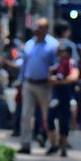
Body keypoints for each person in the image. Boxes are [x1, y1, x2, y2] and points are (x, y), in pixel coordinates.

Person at [18, 17, 57, 153]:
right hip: (29, 83)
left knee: (49, 116)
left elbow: (57, 65)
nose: (37, 30)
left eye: (40, 27)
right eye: (36, 27)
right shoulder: (29, 44)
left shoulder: (53, 45)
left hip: (45, 85)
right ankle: (25, 144)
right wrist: (20, 80)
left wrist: (53, 76)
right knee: (26, 115)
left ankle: (53, 143)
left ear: (46, 29)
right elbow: (24, 64)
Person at [47, 43, 80, 156]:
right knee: (50, 119)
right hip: (56, 96)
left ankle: (63, 147)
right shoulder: (57, 64)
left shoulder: (72, 63)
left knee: (64, 123)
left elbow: (74, 77)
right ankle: (53, 144)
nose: (60, 54)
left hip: (67, 97)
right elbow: (50, 75)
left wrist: (59, 81)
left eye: (62, 51)